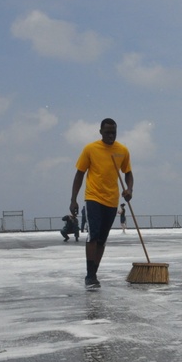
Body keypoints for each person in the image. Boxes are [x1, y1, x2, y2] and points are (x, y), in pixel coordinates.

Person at [70, 117, 132, 289]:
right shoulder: (90, 149)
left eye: (114, 132)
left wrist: (129, 189)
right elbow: (79, 174)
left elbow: (128, 173)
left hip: (112, 200)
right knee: (93, 235)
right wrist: (73, 199)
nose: (111, 135)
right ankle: (90, 276)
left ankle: (94, 273)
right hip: (93, 198)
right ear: (100, 132)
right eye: (107, 132)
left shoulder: (122, 150)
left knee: (102, 240)